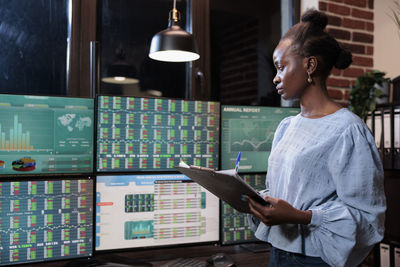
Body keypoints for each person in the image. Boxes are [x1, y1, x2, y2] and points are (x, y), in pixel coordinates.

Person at [246, 9, 386, 267]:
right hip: (277, 253)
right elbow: (290, 191)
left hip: (316, 260)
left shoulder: (348, 131)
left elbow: (368, 220)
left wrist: (302, 217)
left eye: (281, 66)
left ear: (310, 65)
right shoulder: (286, 127)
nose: (275, 77)